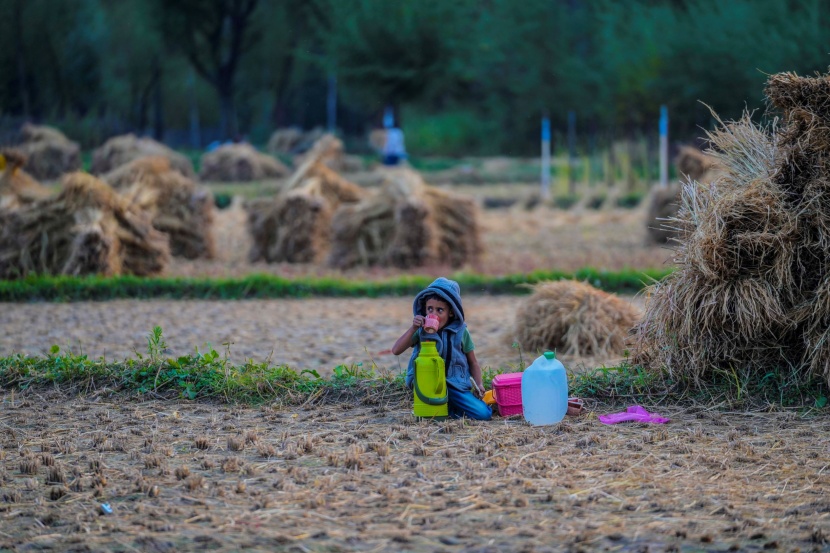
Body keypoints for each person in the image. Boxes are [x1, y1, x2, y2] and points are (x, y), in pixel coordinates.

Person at [391, 277, 492, 420]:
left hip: (454, 385)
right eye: (430, 309)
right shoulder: (420, 330)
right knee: (430, 414)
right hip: (426, 383)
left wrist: (479, 384)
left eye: (440, 310)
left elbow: (473, 362)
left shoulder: (461, 332)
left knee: (484, 414)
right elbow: (396, 350)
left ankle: (449, 409)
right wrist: (413, 327)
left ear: (451, 312)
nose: (434, 314)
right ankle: (444, 409)